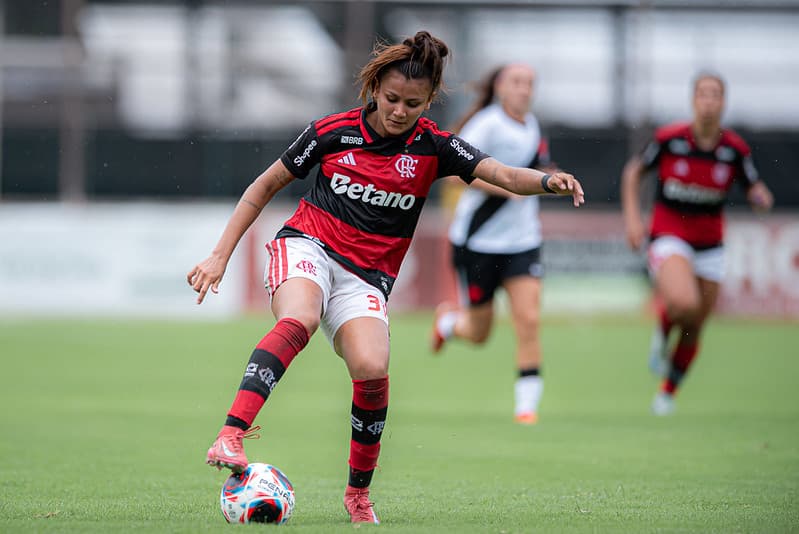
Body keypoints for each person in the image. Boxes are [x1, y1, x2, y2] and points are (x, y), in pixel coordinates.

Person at [188, 31, 584, 525]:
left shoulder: (435, 146)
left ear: (429, 99)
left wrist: (548, 181)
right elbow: (263, 186)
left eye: (413, 103)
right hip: (307, 244)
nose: (399, 110)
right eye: (392, 98)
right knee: (301, 318)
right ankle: (231, 431)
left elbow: (502, 174)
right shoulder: (332, 132)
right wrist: (220, 256)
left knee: (373, 367)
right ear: (374, 88)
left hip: (366, 278)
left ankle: (358, 495)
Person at [620, 72, 773, 416]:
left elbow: (753, 185)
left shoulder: (734, 149)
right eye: (702, 94)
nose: (708, 101)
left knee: (695, 324)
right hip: (669, 235)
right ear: (693, 100)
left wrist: (760, 195)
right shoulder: (670, 139)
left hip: (711, 245)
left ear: (723, 102)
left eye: (715, 94)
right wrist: (632, 219)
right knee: (683, 302)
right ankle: (661, 330)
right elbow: (633, 173)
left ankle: (667, 393)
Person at [430, 64, 555, 425]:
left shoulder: (533, 127)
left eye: (530, 83)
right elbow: (452, 175)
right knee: (479, 333)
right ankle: (449, 325)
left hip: (523, 243)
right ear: (500, 87)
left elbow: (538, 167)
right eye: (517, 82)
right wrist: (506, 186)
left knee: (529, 320)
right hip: (478, 244)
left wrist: (552, 178)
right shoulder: (487, 123)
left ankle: (525, 408)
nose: (525, 90)